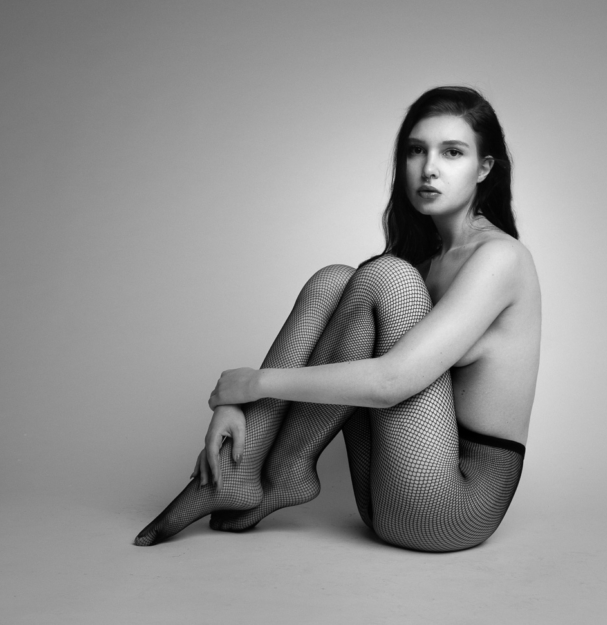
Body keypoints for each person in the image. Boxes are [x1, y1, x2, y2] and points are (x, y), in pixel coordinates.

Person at [134, 86, 541, 552]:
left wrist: (252, 385)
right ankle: (244, 471)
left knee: (385, 275)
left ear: (484, 168)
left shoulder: (501, 258)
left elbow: (390, 382)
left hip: (454, 507)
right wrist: (232, 402)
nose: (429, 168)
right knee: (336, 280)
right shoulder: (425, 263)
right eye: (416, 150)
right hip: (383, 496)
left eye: (452, 152)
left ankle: (275, 469)